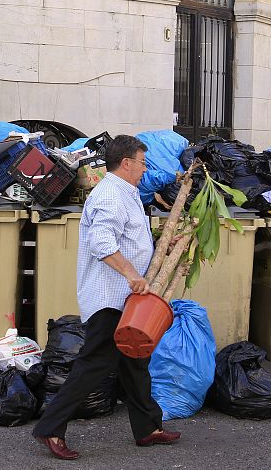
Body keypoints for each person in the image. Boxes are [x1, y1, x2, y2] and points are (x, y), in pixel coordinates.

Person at [32, 135, 180, 460]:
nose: (145, 169)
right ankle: (50, 428)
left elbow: (129, 238)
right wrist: (130, 273)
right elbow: (102, 242)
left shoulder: (125, 193)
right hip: (109, 298)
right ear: (126, 163)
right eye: (142, 162)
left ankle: (147, 429)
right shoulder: (111, 195)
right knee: (94, 364)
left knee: (135, 363)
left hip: (126, 300)